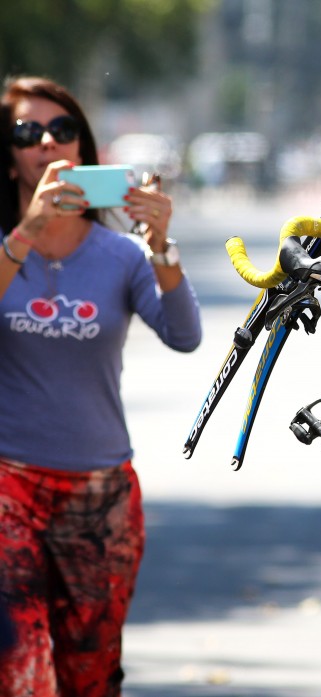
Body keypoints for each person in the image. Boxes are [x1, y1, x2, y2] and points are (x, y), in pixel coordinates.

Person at [0, 76, 202, 696]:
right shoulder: (5, 248)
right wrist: (25, 234)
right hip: (9, 482)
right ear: (9, 160)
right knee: (21, 667)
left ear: (84, 152)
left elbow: (184, 333)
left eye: (63, 131)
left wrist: (161, 248)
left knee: (89, 674)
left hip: (103, 496)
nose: (48, 144)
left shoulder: (120, 256)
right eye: (27, 133)